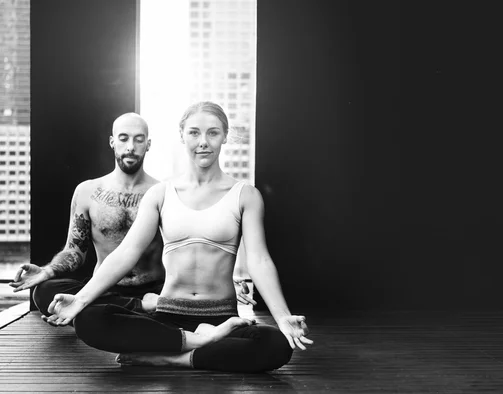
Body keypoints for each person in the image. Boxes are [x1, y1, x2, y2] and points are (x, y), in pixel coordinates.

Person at [43, 101, 312, 373]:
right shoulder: (161, 193)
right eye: (194, 133)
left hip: (220, 316)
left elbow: (259, 260)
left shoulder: (246, 195)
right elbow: (127, 252)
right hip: (168, 314)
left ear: (225, 136)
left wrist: (282, 316)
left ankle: (174, 357)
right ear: (182, 135)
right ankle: (200, 342)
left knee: (277, 344)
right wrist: (80, 300)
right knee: (89, 319)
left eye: (213, 133)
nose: (203, 142)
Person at [9, 112, 254, 315]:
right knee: (44, 292)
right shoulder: (87, 192)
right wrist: (47, 271)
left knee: (103, 313)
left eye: (138, 139)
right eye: (124, 138)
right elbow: (75, 250)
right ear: (112, 141)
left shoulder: (163, 193)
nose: (130, 147)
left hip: (157, 290)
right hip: (103, 288)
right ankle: (133, 310)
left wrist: (221, 283)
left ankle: (118, 312)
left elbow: (191, 248)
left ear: (148, 144)